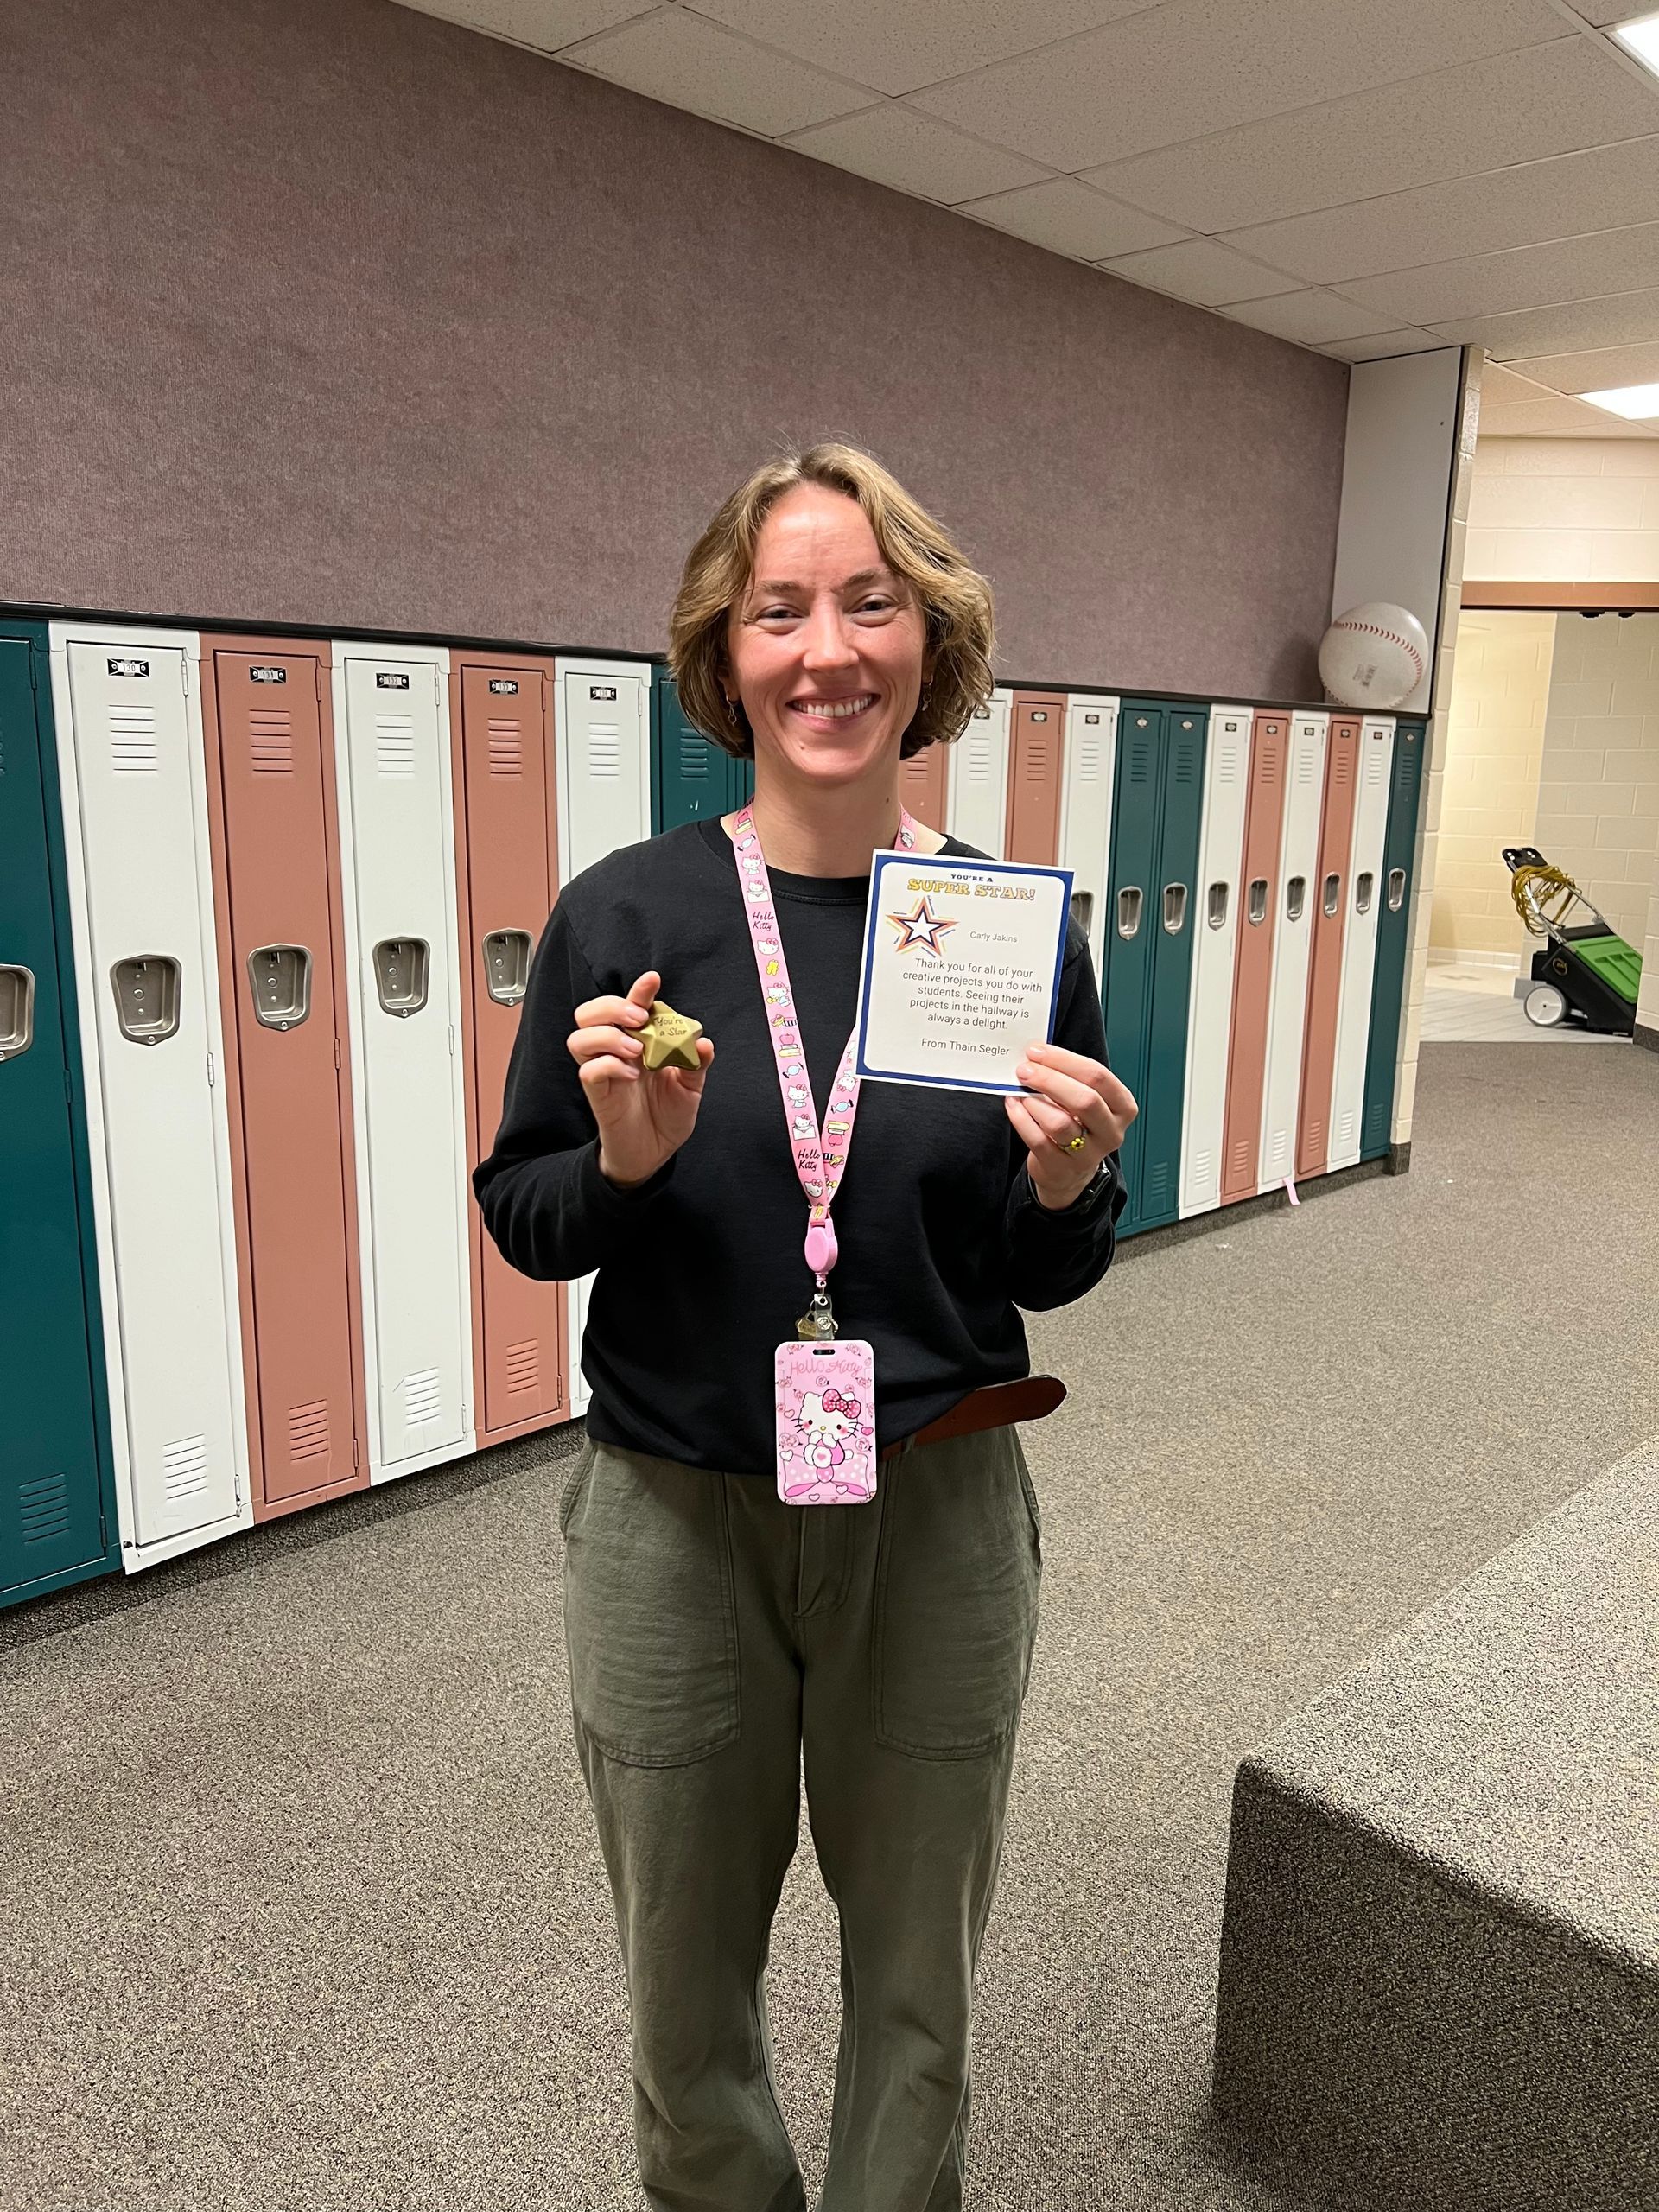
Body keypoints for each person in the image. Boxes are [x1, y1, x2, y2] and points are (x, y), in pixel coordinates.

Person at [474, 443, 1136, 2211]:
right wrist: (618, 1165)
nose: (828, 648)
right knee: (684, 2000)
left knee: (918, 1990)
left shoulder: (992, 929)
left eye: (870, 601)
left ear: (930, 641)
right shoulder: (631, 913)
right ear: (727, 651)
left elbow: (1039, 1266)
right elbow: (525, 1209)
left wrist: (1069, 1189)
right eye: (782, 609)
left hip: (936, 1505)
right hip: (676, 1513)